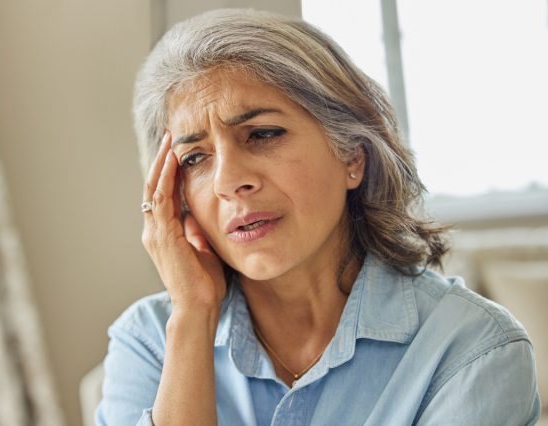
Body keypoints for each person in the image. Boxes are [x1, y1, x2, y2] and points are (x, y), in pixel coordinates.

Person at [96, 9, 541, 425]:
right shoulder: (150, 341)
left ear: (353, 156)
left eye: (263, 134)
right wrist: (192, 315)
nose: (228, 181)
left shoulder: (474, 349)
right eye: (194, 158)